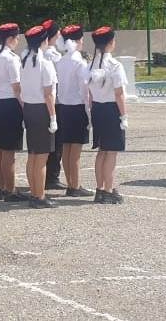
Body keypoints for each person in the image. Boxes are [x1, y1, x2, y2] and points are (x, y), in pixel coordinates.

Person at [0, 23, 28, 202]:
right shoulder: (11, 58)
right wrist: (24, 107)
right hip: (11, 104)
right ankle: (10, 190)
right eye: (17, 38)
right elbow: (17, 87)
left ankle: (3, 186)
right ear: (10, 38)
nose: (18, 41)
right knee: (9, 151)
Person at [19, 25, 58, 208]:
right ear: (44, 41)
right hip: (42, 110)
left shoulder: (24, 60)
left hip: (29, 108)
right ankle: (39, 196)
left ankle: (34, 193)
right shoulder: (45, 63)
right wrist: (53, 116)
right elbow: (49, 94)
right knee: (42, 156)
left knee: (33, 154)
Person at [88, 26, 127, 204]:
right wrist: (124, 116)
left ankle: (100, 189)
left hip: (97, 108)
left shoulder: (91, 64)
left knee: (102, 151)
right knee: (111, 153)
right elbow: (119, 94)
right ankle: (109, 190)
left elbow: (89, 93)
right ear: (110, 43)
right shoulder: (115, 65)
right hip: (111, 110)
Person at [56, 25, 94, 197]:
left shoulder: (61, 61)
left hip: (63, 107)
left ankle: (70, 183)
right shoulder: (79, 62)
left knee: (66, 148)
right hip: (77, 107)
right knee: (76, 150)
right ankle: (75, 185)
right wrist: (89, 112)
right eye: (81, 39)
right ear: (77, 41)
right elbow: (84, 91)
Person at [41, 19, 66, 190]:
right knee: (56, 143)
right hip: (55, 101)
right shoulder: (53, 55)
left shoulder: (39, 53)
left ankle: (46, 175)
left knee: (46, 142)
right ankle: (52, 176)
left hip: (41, 101)